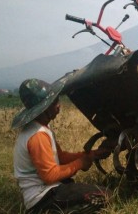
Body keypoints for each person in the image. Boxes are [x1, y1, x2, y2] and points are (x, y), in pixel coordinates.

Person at [11, 78, 111, 213]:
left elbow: (60, 157)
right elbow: (50, 176)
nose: (59, 105)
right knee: (105, 195)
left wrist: (90, 155)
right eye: (54, 102)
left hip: (48, 190)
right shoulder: (37, 136)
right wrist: (80, 163)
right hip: (41, 197)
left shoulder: (42, 128)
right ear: (44, 108)